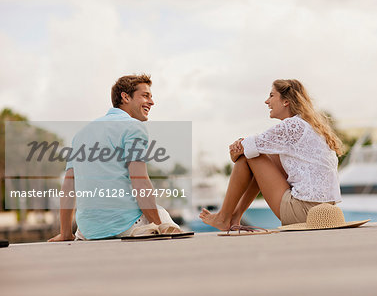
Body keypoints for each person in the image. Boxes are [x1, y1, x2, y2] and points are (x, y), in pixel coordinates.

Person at [49, 74, 180, 241]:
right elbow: (139, 180)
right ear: (125, 97)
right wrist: (158, 225)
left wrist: (66, 233)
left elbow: (68, 185)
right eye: (145, 96)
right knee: (166, 221)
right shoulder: (134, 127)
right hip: (129, 224)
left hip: (88, 231)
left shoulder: (81, 135)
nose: (152, 102)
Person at [200, 79, 343, 231]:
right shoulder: (310, 126)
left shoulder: (292, 125)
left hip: (303, 211)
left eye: (271, 95)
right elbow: (250, 146)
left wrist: (238, 148)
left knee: (252, 155)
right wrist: (243, 147)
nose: (266, 101)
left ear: (286, 101)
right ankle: (234, 217)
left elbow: (242, 151)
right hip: (324, 212)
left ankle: (224, 217)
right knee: (264, 154)